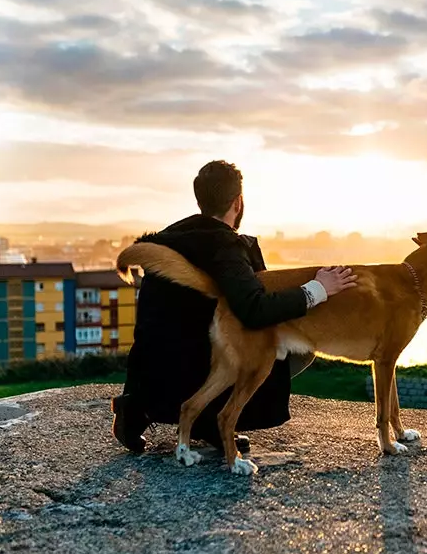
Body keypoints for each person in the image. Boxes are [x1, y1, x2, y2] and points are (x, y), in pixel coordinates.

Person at [111, 160, 357, 454]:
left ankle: (134, 411)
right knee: (300, 348)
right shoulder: (225, 248)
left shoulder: (169, 240)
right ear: (238, 202)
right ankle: (217, 418)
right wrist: (318, 289)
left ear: (199, 199)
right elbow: (253, 310)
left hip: (152, 376)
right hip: (198, 368)